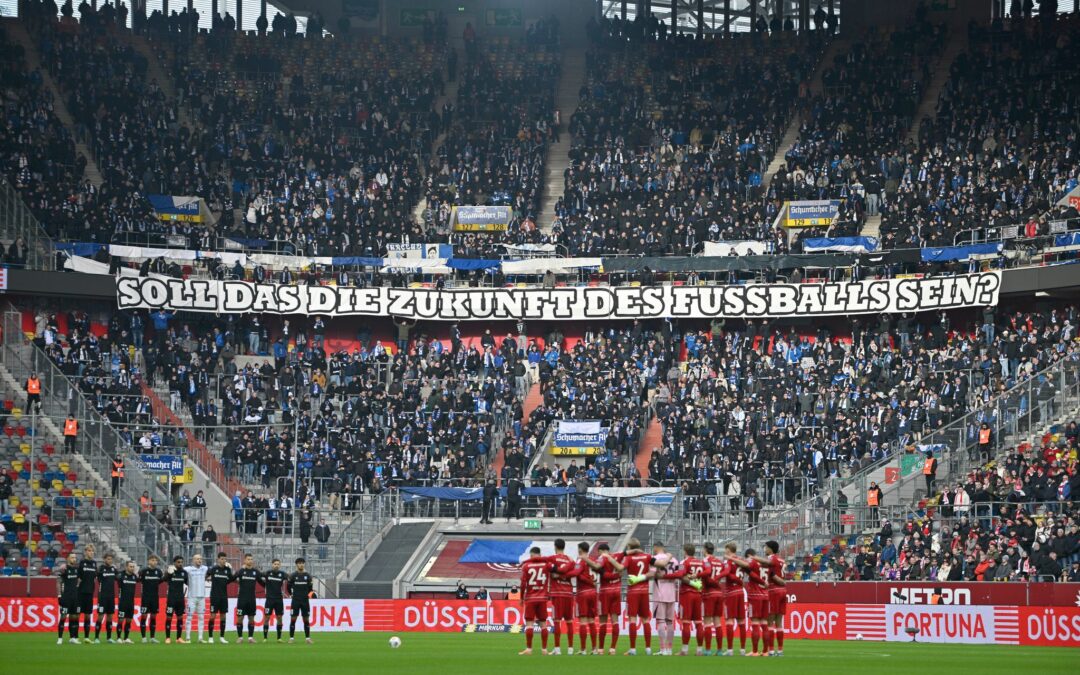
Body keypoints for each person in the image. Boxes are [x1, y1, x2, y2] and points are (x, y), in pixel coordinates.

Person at [618, 537, 663, 655]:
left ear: (630, 548)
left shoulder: (628, 558)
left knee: (632, 620)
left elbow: (621, 569)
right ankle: (648, 648)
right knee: (645, 620)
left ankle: (633, 649)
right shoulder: (647, 556)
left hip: (633, 591)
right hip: (644, 591)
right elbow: (659, 565)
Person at [663, 543, 708, 656]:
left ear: (685, 552)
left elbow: (680, 574)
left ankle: (685, 650)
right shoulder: (701, 562)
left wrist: (664, 576)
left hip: (687, 594)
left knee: (686, 622)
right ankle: (699, 650)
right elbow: (707, 572)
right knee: (698, 623)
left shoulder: (684, 562)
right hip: (698, 594)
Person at [729, 547, 769, 656]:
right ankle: (765, 651)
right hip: (766, 595)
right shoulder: (765, 563)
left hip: (755, 595)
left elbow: (748, 568)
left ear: (749, 556)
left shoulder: (752, 561)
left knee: (755, 623)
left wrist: (731, 559)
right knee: (765, 624)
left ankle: (755, 651)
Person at [518, 546, 556, 655]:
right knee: (543, 624)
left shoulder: (526, 566)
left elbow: (523, 584)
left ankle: (529, 649)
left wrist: (521, 598)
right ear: (540, 554)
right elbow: (553, 571)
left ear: (531, 555)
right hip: (543, 597)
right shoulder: (546, 565)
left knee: (529, 624)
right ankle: (544, 649)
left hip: (530, 598)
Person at [751, 540, 787, 656]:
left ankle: (771, 650)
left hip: (773, 590)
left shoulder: (772, 559)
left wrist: (753, 557)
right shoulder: (781, 560)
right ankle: (780, 651)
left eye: (766, 547)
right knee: (779, 622)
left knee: (770, 622)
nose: (764, 549)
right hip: (783, 591)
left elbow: (770, 570)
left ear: (770, 549)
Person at [649, 541, 677, 655]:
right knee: (670, 622)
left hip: (660, 593)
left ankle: (663, 649)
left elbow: (652, 574)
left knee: (660, 621)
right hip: (672, 593)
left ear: (655, 548)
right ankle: (669, 649)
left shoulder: (654, 558)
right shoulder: (674, 560)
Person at [548, 538, 575, 654]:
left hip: (557, 593)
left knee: (557, 621)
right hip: (569, 593)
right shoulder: (570, 559)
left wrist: (557, 575)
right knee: (569, 622)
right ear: (564, 546)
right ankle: (570, 649)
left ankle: (557, 649)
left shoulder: (553, 559)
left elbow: (551, 572)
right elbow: (573, 574)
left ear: (555, 546)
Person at [720, 542, 747, 655]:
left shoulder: (728, 561)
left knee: (729, 621)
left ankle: (730, 650)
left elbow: (727, 574)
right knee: (741, 621)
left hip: (730, 592)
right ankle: (742, 650)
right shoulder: (741, 560)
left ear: (728, 550)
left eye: (725, 550)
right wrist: (740, 581)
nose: (724, 552)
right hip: (740, 592)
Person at [596, 542, 622, 654]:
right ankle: (613, 649)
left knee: (603, 621)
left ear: (601, 551)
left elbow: (604, 575)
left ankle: (601, 649)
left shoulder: (601, 559)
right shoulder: (617, 556)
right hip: (616, 591)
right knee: (615, 621)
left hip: (605, 592)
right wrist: (617, 575)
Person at [701, 542, 725, 655]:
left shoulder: (706, 561)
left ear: (705, 550)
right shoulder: (719, 562)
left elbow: (706, 575)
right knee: (717, 622)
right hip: (719, 593)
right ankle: (720, 650)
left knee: (707, 622)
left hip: (708, 593)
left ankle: (708, 650)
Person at [207, 553, 233, 643]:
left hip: (224, 596)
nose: (224, 561)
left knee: (223, 616)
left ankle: (222, 637)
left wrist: (231, 570)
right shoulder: (213, 569)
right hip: (214, 596)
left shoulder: (227, 570)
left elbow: (231, 579)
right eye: (222, 559)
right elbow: (206, 576)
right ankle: (210, 637)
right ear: (218, 559)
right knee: (213, 616)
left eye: (225, 559)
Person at [287, 557, 315, 643]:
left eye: (302, 563)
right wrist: (291, 594)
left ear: (304, 564)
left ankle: (307, 638)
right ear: (296, 565)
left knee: (306, 619)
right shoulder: (293, 576)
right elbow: (288, 587)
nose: (301, 564)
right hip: (295, 600)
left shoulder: (308, 576)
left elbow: (310, 589)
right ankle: (291, 638)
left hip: (305, 601)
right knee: (293, 619)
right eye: (299, 563)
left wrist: (308, 595)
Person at [234, 553, 260, 642]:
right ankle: (240, 637)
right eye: (248, 559)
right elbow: (232, 578)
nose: (250, 561)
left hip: (252, 599)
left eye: (251, 559)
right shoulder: (241, 571)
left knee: (251, 618)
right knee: (240, 618)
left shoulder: (255, 572)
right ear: (245, 560)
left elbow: (262, 581)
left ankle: (250, 637)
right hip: (242, 599)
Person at [260, 558, 288, 642]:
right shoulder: (268, 573)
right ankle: (265, 638)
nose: (276, 565)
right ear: (272, 565)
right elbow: (258, 576)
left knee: (279, 618)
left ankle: (279, 638)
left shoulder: (282, 574)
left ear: (280, 565)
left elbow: (291, 578)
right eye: (275, 564)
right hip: (269, 599)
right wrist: (264, 585)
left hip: (279, 599)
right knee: (267, 618)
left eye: (278, 564)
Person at [183, 554, 209, 643]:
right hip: (192, 597)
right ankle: (187, 638)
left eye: (201, 559)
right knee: (189, 617)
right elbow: (178, 571)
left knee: (201, 617)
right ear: (193, 560)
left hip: (202, 597)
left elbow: (214, 571)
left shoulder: (205, 568)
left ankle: (200, 638)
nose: (199, 560)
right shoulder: (188, 569)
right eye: (197, 559)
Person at [93, 552, 118, 643]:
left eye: (111, 559)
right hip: (102, 596)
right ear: (104, 559)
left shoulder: (113, 569)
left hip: (111, 596)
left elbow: (119, 578)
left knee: (110, 617)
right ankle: (96, 637)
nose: (110, 560)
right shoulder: (101, 569)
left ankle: (109, 638)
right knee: (100, 616)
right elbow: (96, 577)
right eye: (108, 559)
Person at [138, 555, 164, 643]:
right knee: (144, 616)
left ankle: (152, 637)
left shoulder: (159, 571)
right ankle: (144, 637)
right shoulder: (144, 571)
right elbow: (139, 580)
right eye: (152, 560)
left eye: (156, 560)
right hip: (145, 597)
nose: (154, 562)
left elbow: (161, 581)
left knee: (153, 617)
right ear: (149, 561)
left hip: (155, 598)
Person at [163, 555, 189, 643]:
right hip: (171, 598)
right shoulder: (171, 571)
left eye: (181, 562)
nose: (180, 564)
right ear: (174, 563)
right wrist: (167, 573)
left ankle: (179, 638)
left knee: (180, 618)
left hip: (180, 599)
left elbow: (188, 583)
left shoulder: (184, 572)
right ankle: (167, 638)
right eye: (178, 562)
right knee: (169, 617)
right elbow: (163, 579)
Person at [57, 552, 81, 644]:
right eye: (72, 557)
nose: (74, 559)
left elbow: (79, 580)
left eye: (75, 557)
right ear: (68, 559)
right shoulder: (64, 569)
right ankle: (60, 638)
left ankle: (72, 638)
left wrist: (77, 588)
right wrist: (59, 595)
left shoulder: (76, 569)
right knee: (63, 617)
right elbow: (58, 582)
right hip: (66, 597)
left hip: (74, 598)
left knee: (74, 617)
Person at [76, 544, 98, 642]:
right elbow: (78, 578)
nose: (91, 553)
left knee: (88, 615)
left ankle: (86, 637)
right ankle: (75, 637)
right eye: (89, 551)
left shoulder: (94, 563)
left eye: (92, 551)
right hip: (80, 593)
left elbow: (94, 578)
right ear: (85, 552)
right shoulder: (82, 563)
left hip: (90, 593)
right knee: (77, 614)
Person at [117, 560, 138, 644]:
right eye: (130, 566)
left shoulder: (134, 577)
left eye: (133, 567)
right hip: (122, 602)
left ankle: (126, 638)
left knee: (129, 621)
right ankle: (118, 638)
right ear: (126, 567)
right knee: (121, 620)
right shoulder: (121, 576)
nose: (132, 568)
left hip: (131, 602)